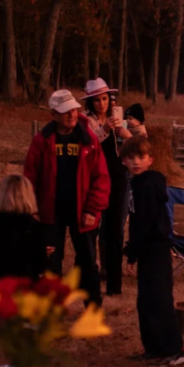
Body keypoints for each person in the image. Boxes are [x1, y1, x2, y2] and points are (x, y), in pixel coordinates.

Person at [24, 89, 110, 308]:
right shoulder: (41, 141)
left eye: (74, 109)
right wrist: (31, 206)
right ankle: (53, 309)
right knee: (51, 262)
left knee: (88, 261)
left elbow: (101, 178)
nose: (72, 115)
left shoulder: (88, 139)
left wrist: (92, 210)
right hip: (50, 212)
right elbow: (30, 177)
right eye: (65, 112)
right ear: (53, 114)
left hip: (83, 212)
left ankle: (93, 308)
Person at [121, 136, 184, 366]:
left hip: (156, 249)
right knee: (146, 301)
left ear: (150, 159)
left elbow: (144, 223)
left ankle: (176, 350)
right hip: (148, 250)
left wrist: (131, 253)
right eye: (131, 158)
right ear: (124, 161)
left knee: (159, 300)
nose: (136, 162)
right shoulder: (136, 184)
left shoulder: (148, 185)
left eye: (141, 157)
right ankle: (154, 348)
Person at [81, 78, 132, 297]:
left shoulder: (118, 119)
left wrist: (125, 134)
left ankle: (114, 285)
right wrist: (104, 129)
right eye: (96, 100)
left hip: (117, 175)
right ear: (90, 102)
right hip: (95, 177)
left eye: (104, 99)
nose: (101, 104)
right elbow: (87, 145)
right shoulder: (86, 121)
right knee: (91, 229)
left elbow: (132, 146)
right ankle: (89, 280)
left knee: (115, 230)